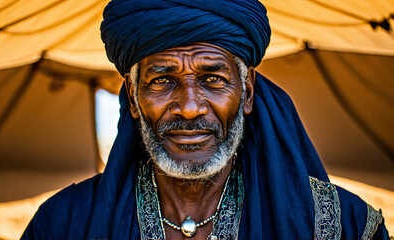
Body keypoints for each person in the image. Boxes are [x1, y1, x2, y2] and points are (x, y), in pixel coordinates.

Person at [22, 0, 390, 239]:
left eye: (212, 79)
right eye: (162, 80)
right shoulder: (63, 224)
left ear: (246, 92)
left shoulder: (344, 225)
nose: (190, 107)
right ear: (133, 98)